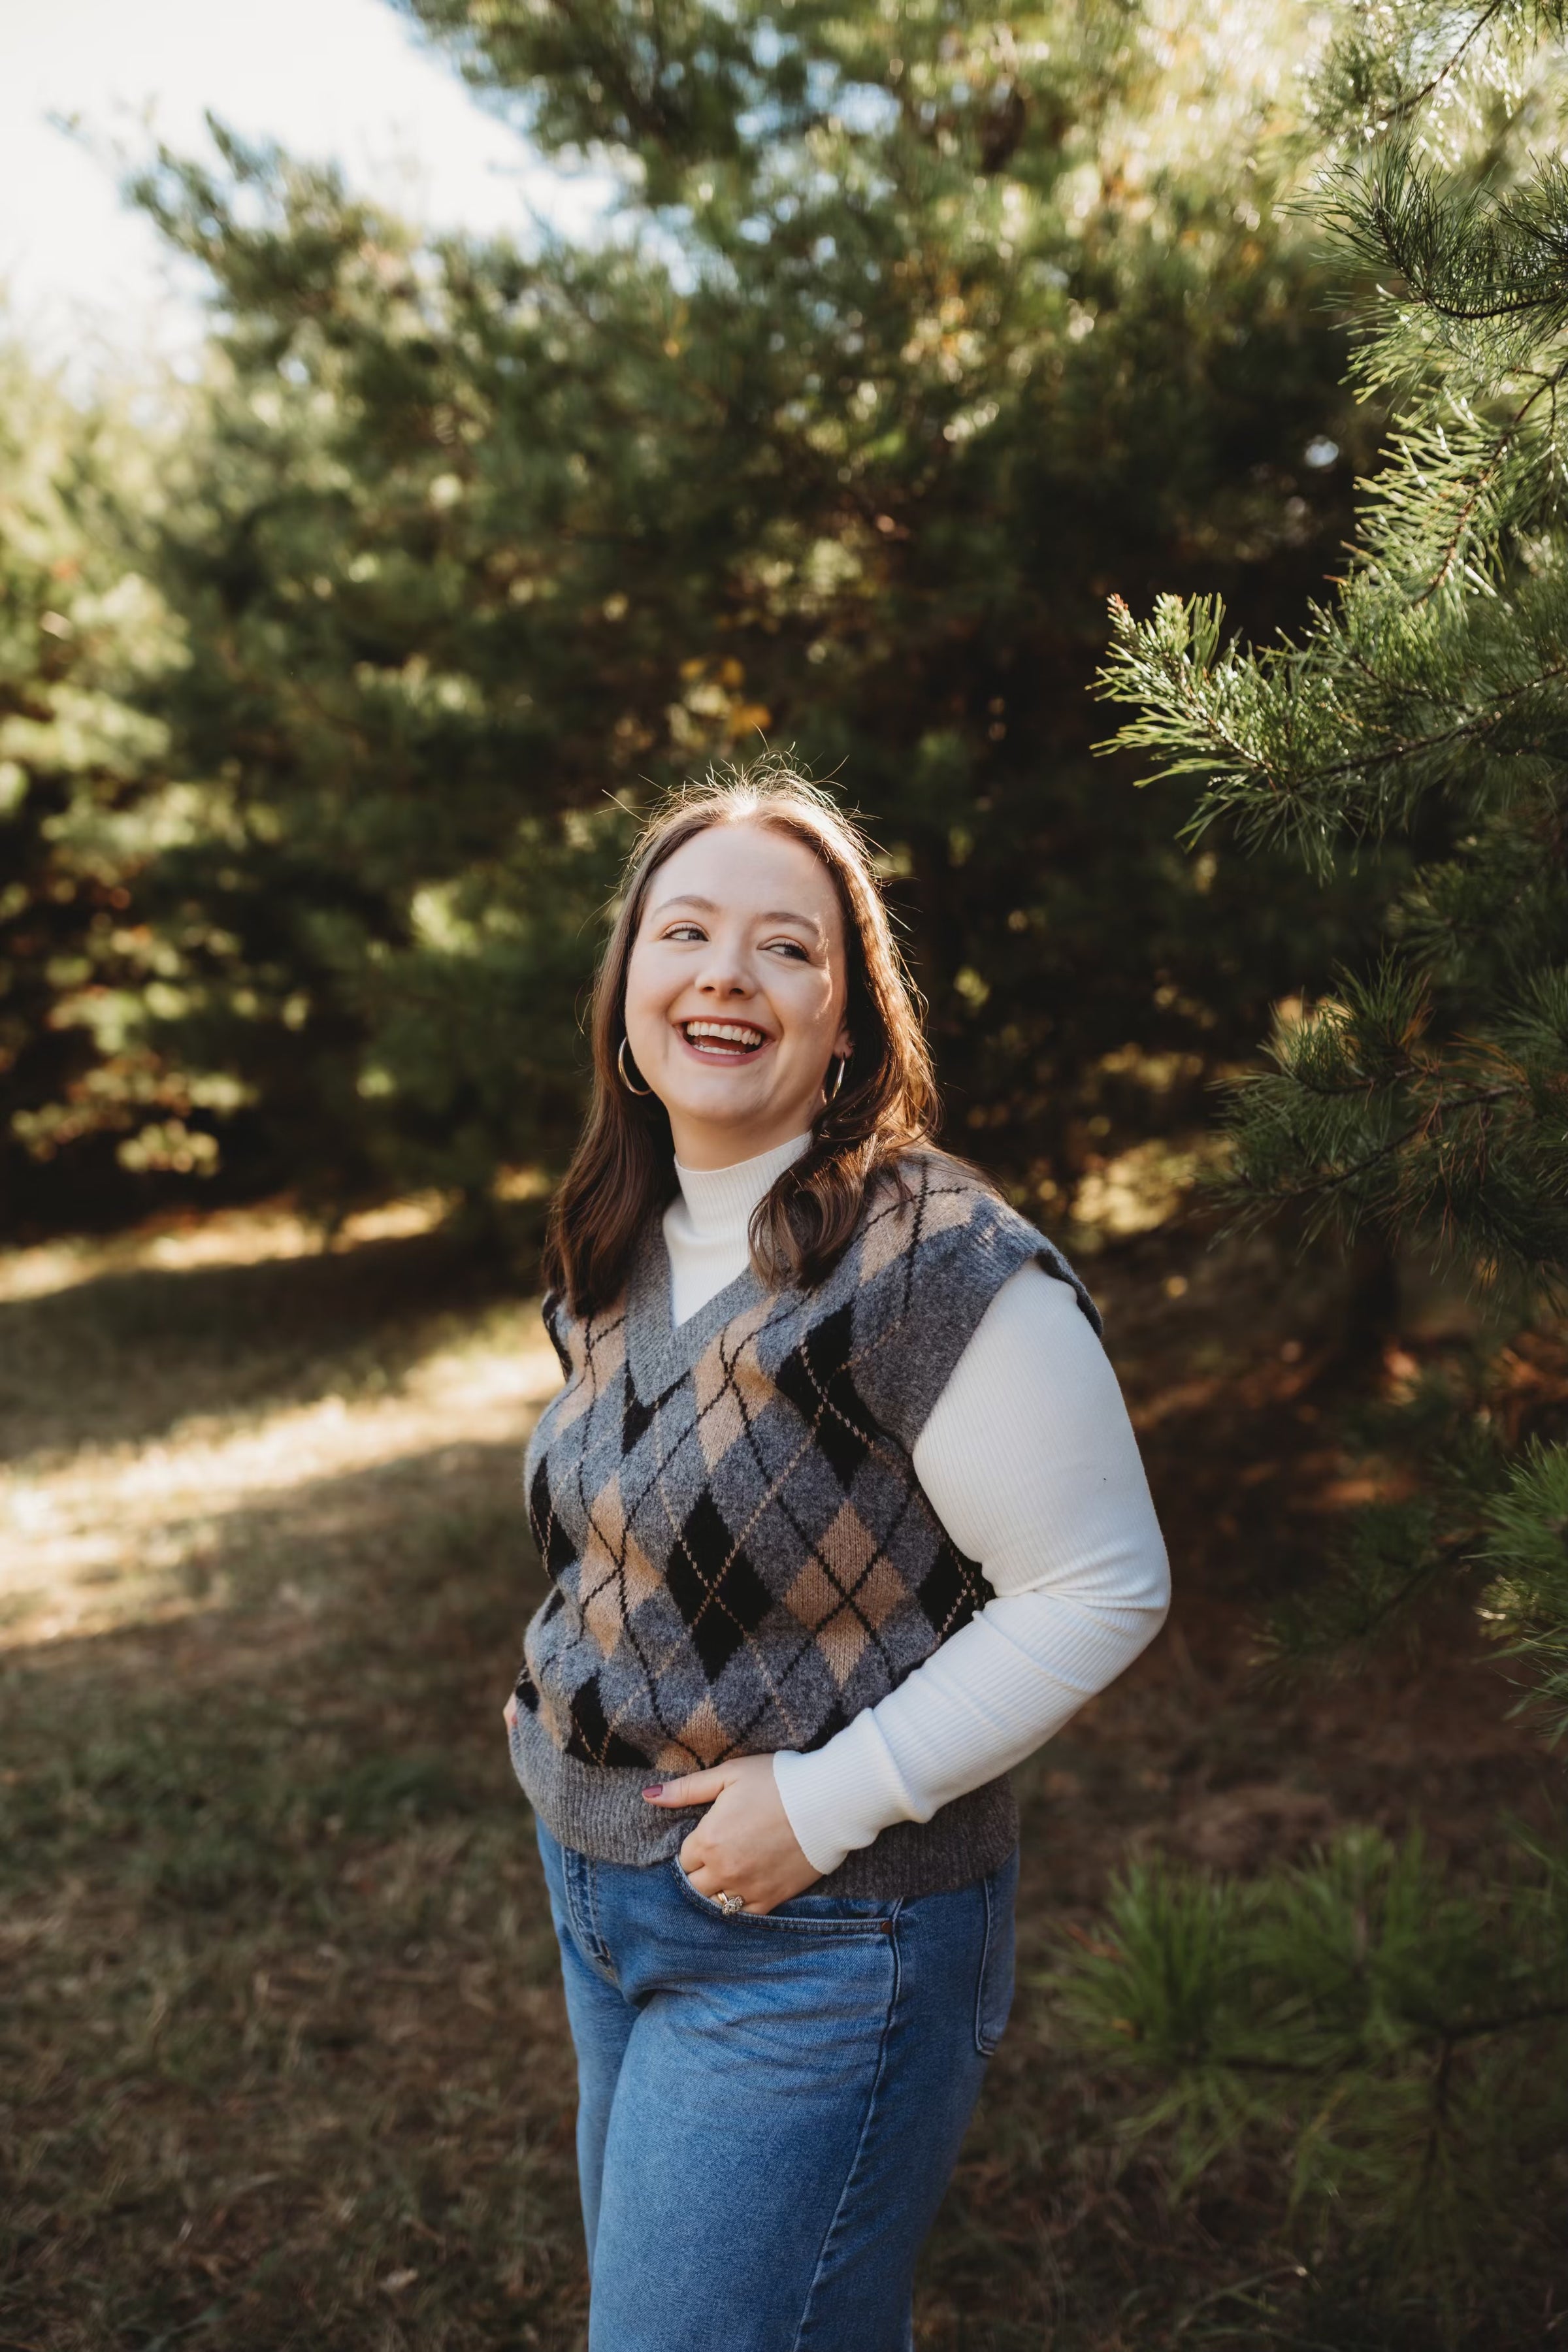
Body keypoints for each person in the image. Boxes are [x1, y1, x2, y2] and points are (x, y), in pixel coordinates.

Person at [502, 759, 1169, 2352]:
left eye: (786, 947)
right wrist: (562, 1693)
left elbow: (1102, 1584)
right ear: (627, 993)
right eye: (684, 933)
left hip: (823, 1939)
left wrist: (825, 1803)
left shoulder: (939, 1260)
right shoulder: (616, 1234)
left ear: (850, 1021)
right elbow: (638, 1519)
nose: (725, 974)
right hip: (597, 1904)